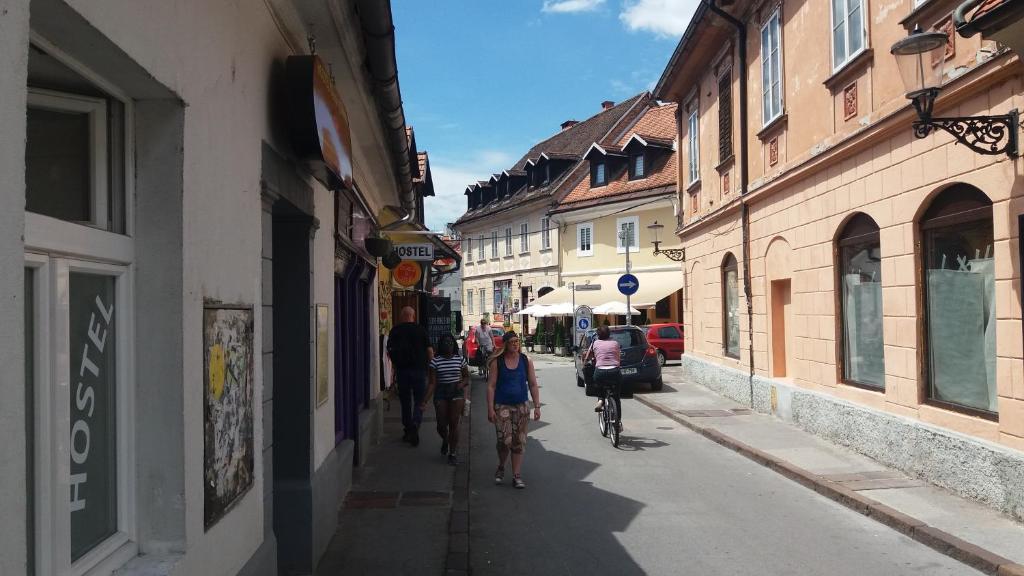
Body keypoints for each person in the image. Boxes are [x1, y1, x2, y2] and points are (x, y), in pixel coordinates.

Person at [486, 331, 540, 489]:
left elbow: (533, 384)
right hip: (501, 405)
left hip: (521, 406)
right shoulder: (498, 362)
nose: (515, 344)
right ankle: (502, 465)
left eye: (517, 341)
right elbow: (491, 386)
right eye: (512, 342)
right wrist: (490, 408)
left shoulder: (526, 361)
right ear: (505, 344)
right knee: (504, 440)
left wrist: (536, 406)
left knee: (519, 441)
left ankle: (516, 475)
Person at [386, 306, 433, 446]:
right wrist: (432, 370)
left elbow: (389, 351)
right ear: (413, 316)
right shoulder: (421, 330)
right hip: (419, 371)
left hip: (402, 371)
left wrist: (394, 365)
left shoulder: (395, 331)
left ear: (402, 316)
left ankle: (407, 428)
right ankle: (415, 423)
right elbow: (430, 351)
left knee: (405, 402)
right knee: (419, 400)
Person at [420, 334, 470, 465]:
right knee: (441, 425)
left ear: (454, 344)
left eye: (450, 342)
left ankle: (452, 453)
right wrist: (424, 400)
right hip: (441, 392)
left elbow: (466, 377)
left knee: (454, 423)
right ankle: (446, 439)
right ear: (440, 345)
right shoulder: (435, 362)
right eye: (445, 342)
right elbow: (432, 383)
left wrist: (461, 384)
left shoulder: (460, 360)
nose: (448, 344)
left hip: (456, 391)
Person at [583, 325, 622, 424]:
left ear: (598, 335)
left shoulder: (595, 343)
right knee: (616, 398)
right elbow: (618, 358)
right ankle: (618, 423)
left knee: (599, 387)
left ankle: (600, 400)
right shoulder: (615, 343)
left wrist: (586, 362)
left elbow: (587, 357)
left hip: (600, 372)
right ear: (609, 334)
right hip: (614, 371)